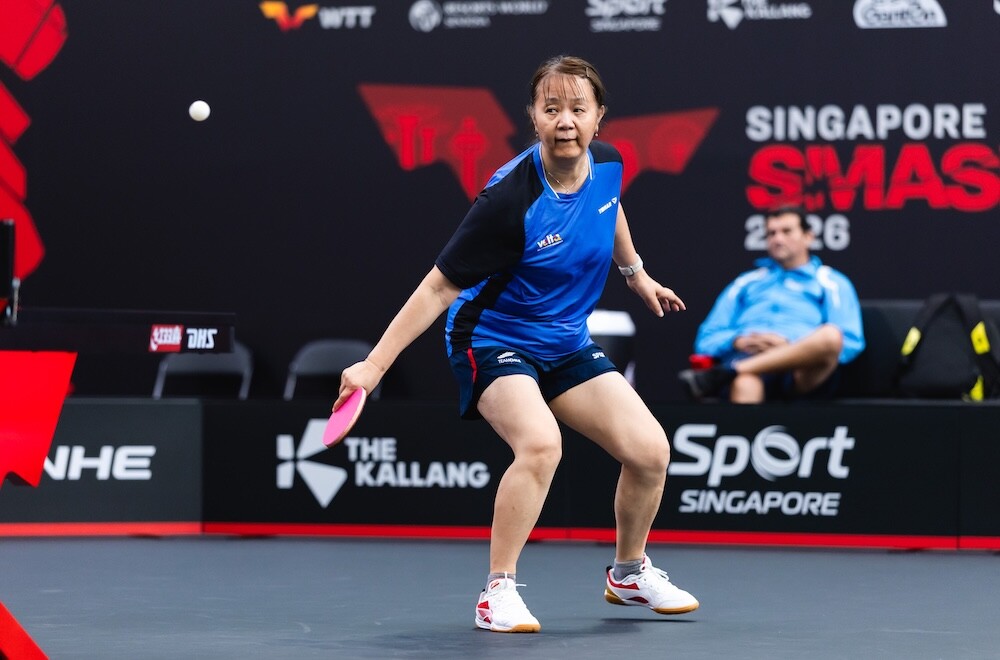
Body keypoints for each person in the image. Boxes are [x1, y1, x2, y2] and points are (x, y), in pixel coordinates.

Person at [335, 55, 699, 633]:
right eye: (551, 109)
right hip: (492, 336)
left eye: (577, 109)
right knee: (540, 444)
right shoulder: (508, 200)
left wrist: (635, 273)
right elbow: (437, 287)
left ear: (598, 117)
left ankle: (628, 574)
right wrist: (373, 367)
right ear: (533, 117)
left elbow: (609, 206)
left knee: (651, 451)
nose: (565, 121)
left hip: (566, 339)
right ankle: (497, 591)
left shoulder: (608, 162)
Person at [679, 206, 865, 404]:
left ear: (808, 237)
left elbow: (850, 341)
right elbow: (706, 339)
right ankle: (739, 374)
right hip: (747, 358)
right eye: (771, 233)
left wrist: (790, 346)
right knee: (745, 383)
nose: (778, 239)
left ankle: (730, 372)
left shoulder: (831, 281)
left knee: (831, 335)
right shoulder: (745, 282)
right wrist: (738, 341)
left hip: (801, 370)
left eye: (786, 231)